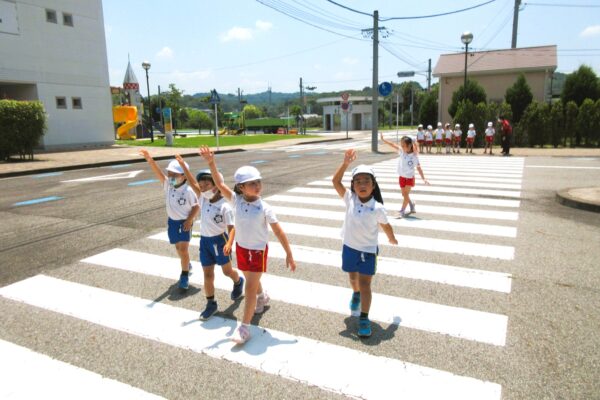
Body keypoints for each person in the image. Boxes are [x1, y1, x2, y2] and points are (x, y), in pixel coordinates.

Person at [199, 145, 296, 344]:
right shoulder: (236, 201)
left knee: (249, 288)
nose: (257, 186)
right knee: (250, 279)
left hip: (258, 252)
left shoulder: (264, 207)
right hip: (242, 249)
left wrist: (289, 253)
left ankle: (244, 328)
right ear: (241, 187)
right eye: (251, 183)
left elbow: (278, 230)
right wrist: (211, 163)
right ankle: (263, 296)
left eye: (258, 182)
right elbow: (218, 183)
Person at [331, 149, 398, 338]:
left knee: (365, 283)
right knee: (353, 279)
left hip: (368, 251)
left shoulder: (377, 208)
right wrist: (345, 164)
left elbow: (386, 225)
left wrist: (391, 238)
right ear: (353, 186)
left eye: (366, 181)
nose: (362, 184)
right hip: (349, 247)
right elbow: (335, 182)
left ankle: (364, 317)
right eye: (358, 181)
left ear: (373, 185)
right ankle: (356, 294)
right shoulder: (350, 199)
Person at [174, 155, 245, 320]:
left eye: (207, 184)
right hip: (205, 242)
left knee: (227, 271)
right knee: (208, 274)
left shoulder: (225, 207)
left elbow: (232, 228)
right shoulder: (203, 199)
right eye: (202, 185)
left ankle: (238, 281)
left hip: (220, 242)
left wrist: (229, 244)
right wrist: (184, 167)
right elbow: (192, 182)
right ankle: (211, 303)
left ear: (216, 186)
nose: (203, 187)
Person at [139, 150, 199, 290]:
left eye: (174, 174)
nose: (170, 177)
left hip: (184, 222)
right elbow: (158, 173)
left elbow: (196, 206)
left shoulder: (188, 191)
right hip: (172, 222)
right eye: (169, 174)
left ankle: (184, 276)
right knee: (178, 248)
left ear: (184, 176)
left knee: (183, 249)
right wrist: (150, 160)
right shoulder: (169, 186)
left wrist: (189, 220)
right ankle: (187, 263)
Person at [380, 133, 430, 217]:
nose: (402, 147)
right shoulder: (401, 151)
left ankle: (402, 211)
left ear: (410, 145)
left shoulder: (414, 156)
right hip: (402, 177)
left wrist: (423, 178)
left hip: (409, 178)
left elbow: (418, 168)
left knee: (406, 195)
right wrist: (383, 140)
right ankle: (411, 204)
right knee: (404, 195)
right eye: (401, 145)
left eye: (403, 145)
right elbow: (392, 144)